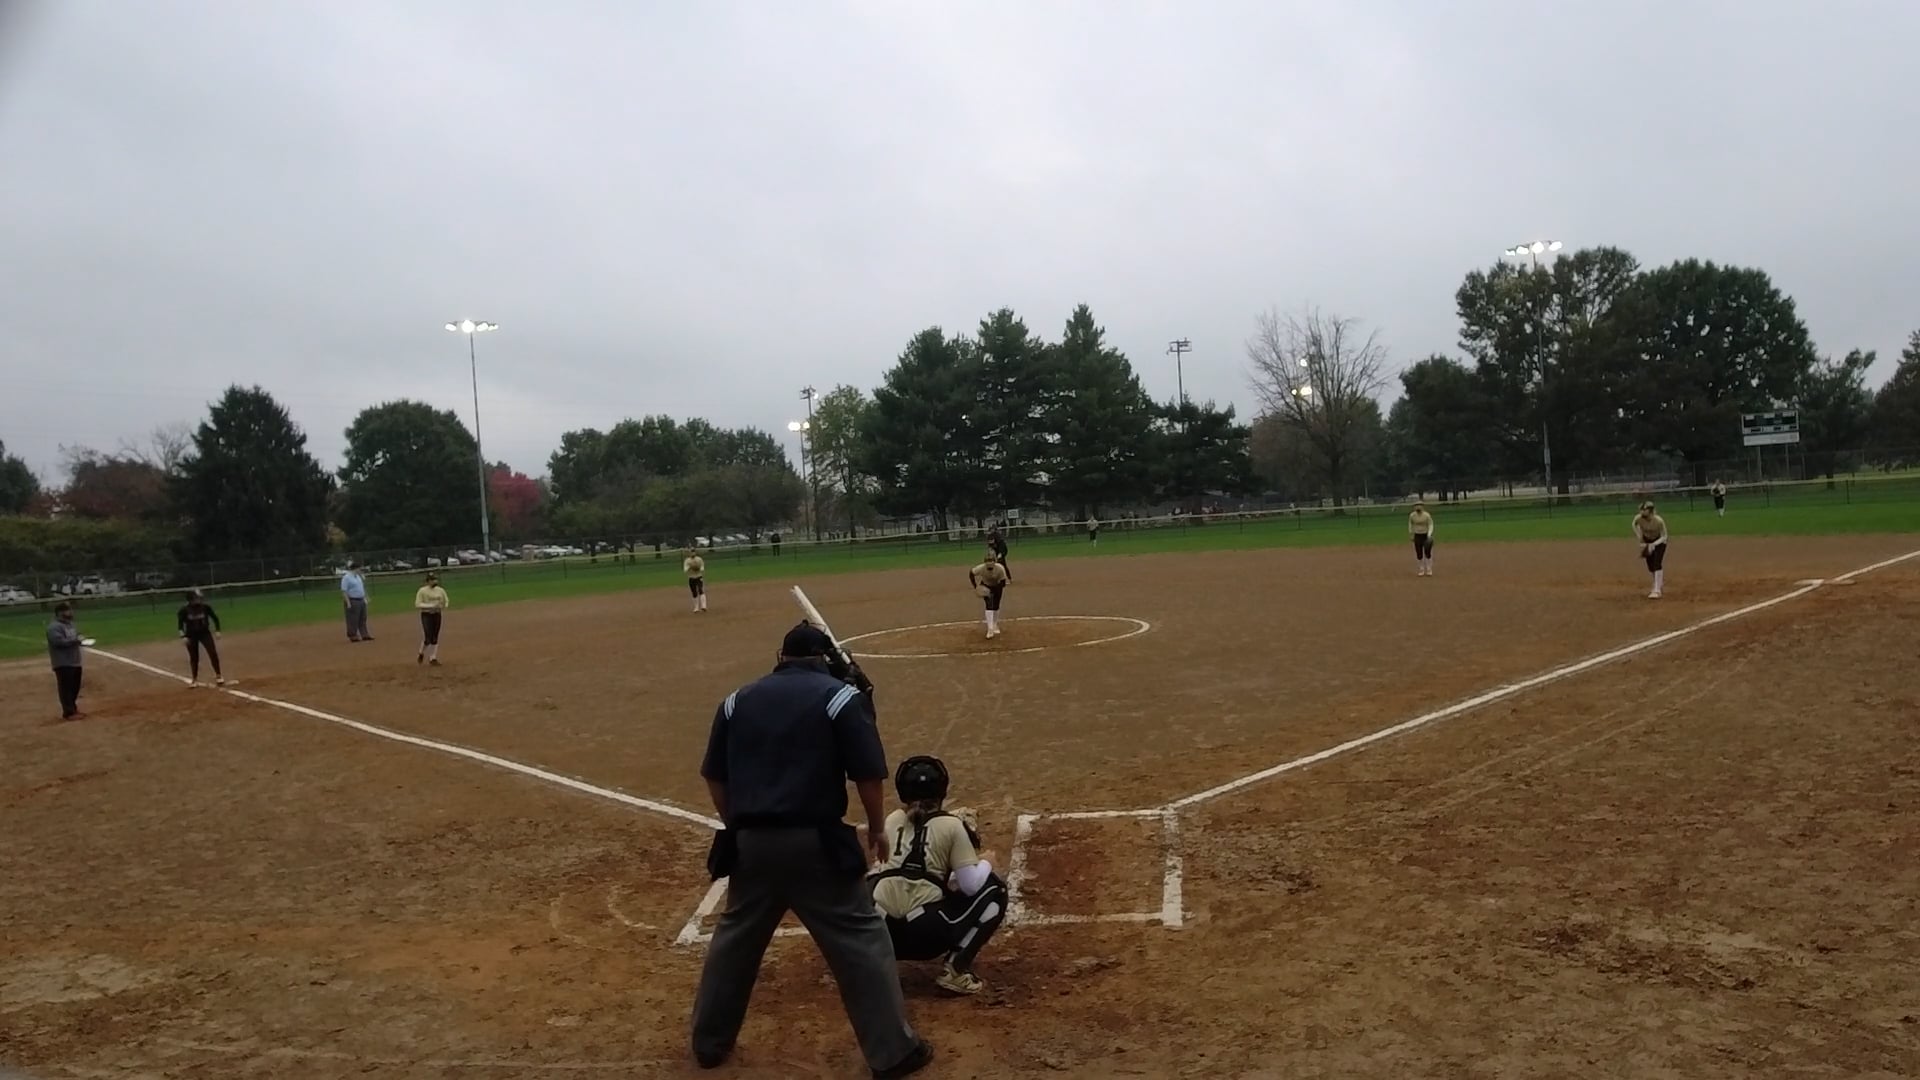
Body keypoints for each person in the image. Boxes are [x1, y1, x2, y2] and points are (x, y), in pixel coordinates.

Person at [690, 622, 932, 1078]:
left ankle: (708, 1044)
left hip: (751, 846)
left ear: (780, 657)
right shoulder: (839, 698)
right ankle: (893, 1052)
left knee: (735, 941)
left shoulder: (736, 700)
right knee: (861, 939)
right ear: (823, 660)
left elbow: (714, 775)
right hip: (816, 846)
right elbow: (867, 774)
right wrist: (877, 828)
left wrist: (737, 825)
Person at [868, 756, 1007, 996]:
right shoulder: (951, 826)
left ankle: (867, 967)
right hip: (925, 937)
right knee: (995, 889)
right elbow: (970, 886)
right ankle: (956, 970)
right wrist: (986, 862)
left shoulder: (892, 820)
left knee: (871, 883)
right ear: (942, 790)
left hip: (881, 934)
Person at [177, 590, 226, 687]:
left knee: (212, 653)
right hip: (191, 635)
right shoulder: (184, 610)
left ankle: (218, 675)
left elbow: (215, 618)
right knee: (194, 657)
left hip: (205, 634)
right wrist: (183, 637)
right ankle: (194, 679)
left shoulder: (205, 607)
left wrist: (217, 630)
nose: (199, 599)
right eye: (197, 598)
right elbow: (180, 626)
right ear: (191, 599)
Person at [47, 601, 85, 721]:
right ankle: (68, 712)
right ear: (60, 613)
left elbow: (75, 636)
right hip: (62, 662)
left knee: (74, 687)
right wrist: (75, 641)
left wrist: (80, 638)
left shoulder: (70, 625)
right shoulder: (54, 627)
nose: (71, 612)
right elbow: (57, 642)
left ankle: (73, 708)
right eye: (68, 610)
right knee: (66, 688)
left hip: (75, 661)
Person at [968, 549, 1011, 639]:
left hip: (998, 586)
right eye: (987, 561)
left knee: (996, 606)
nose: (989, 563)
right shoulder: (981, 568)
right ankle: (990, 629)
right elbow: (971, 573)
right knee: (989, 605)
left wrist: (994, 591)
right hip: (986, 586)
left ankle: (995, 624)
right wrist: (975, 586)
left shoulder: (1000, 568)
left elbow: (1003, 583)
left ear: (995, 561)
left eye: (991, 560)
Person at [1633, 501, 1669, 599]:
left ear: (1650, 511)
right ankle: (1658, 583)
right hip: (1647, 540)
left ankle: (1657, 590)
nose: (1641, 512)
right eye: (1641, 509)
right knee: (1650, 565)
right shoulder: (1638, 518)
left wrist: (1654, 544)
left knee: (1657, 562)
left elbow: (1664, 536)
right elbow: (1634, 525)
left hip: (1660, 541)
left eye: (1644, 510)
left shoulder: (1658, 521)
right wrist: (1640, 537)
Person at [414, 572, 449, 665]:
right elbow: (417, 604)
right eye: (432, 580)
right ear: (428, 581)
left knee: (435, 636)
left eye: (435, 579)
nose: (434, 581)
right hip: (426, 615)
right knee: (428, 636)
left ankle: (433, 657)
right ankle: (421, 652)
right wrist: (431, 606)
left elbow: (446, 601)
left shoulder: (440, 590)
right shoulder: (422, 591)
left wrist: (443, 605)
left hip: (437, 614)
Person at [341, 561, 373, 642]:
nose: (361, 571)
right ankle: (353, 635)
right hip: (353, 600)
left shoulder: (358, 577)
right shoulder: (347, 578)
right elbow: (344, 591)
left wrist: (366, 597)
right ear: (355, 569)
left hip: (361, 600)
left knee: (363, 618)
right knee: (353, 619)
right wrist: (348, 602)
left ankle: (364, 634)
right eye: (360, 569)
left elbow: (362, 588)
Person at [1408, 500, 1436, 577]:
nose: (1418, 507)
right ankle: (1421, 569)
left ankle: (1429, 569)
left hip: (1425, 535)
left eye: (1419, 505)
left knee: (1427, 553)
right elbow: (1410, 525)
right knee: (1419, 553)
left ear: (1422, 506)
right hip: (1417, 535)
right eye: (1416, 505)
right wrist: (1411, 534)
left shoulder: (1426, 515)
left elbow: (1430, 524)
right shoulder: (1412, 516)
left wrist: (1429, 534)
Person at [684, 546, 708, 613]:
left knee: (700, 590)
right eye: (691, 552)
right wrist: (690, 567)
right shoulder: (687, 561)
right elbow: (685, 569)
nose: (692, 553)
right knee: (694, 592)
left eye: (693, 551)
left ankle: (703, 606)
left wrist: (699, 568)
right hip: (691, 578)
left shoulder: (699, 559)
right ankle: (696, 607)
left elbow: (702, 567)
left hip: (699, 576)